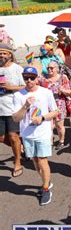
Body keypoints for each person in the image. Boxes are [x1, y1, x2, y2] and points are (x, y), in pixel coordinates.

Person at [12, 67, 59, 205]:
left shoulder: (46, 92)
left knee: (42, 160)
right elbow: (16, 118)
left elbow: (55, 112)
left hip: (42, 133)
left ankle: (45, 189)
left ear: (37, 78)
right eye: (26, 77)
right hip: (27, 134)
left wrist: (43, 118)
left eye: (32, 77)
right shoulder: (18, 95)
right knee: (35, 161)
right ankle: (46, 181)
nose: (29, 80)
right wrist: (25, 106)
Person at [0, 43, 25, 177]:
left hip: (12, 107)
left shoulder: (17, 69)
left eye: (4, 53)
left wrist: (10, 87)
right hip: (0, 108)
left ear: (10, 55)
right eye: (0, 53)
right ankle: (21, 148)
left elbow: (25, 86)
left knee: (13, 136)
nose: (1, 55)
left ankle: (17, 163)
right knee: (2, 137)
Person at [39, 61, 71, 150]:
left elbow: (69, 92)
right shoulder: (43, 79)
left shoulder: (62, 78)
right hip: (46, 104)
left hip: (59, 104)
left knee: (59, 125)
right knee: (48, 125)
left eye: (51, 68)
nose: (49, 70)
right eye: (48, 68)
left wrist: (63, 90)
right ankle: (50, 142)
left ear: (56, 69)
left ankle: (61, 141)